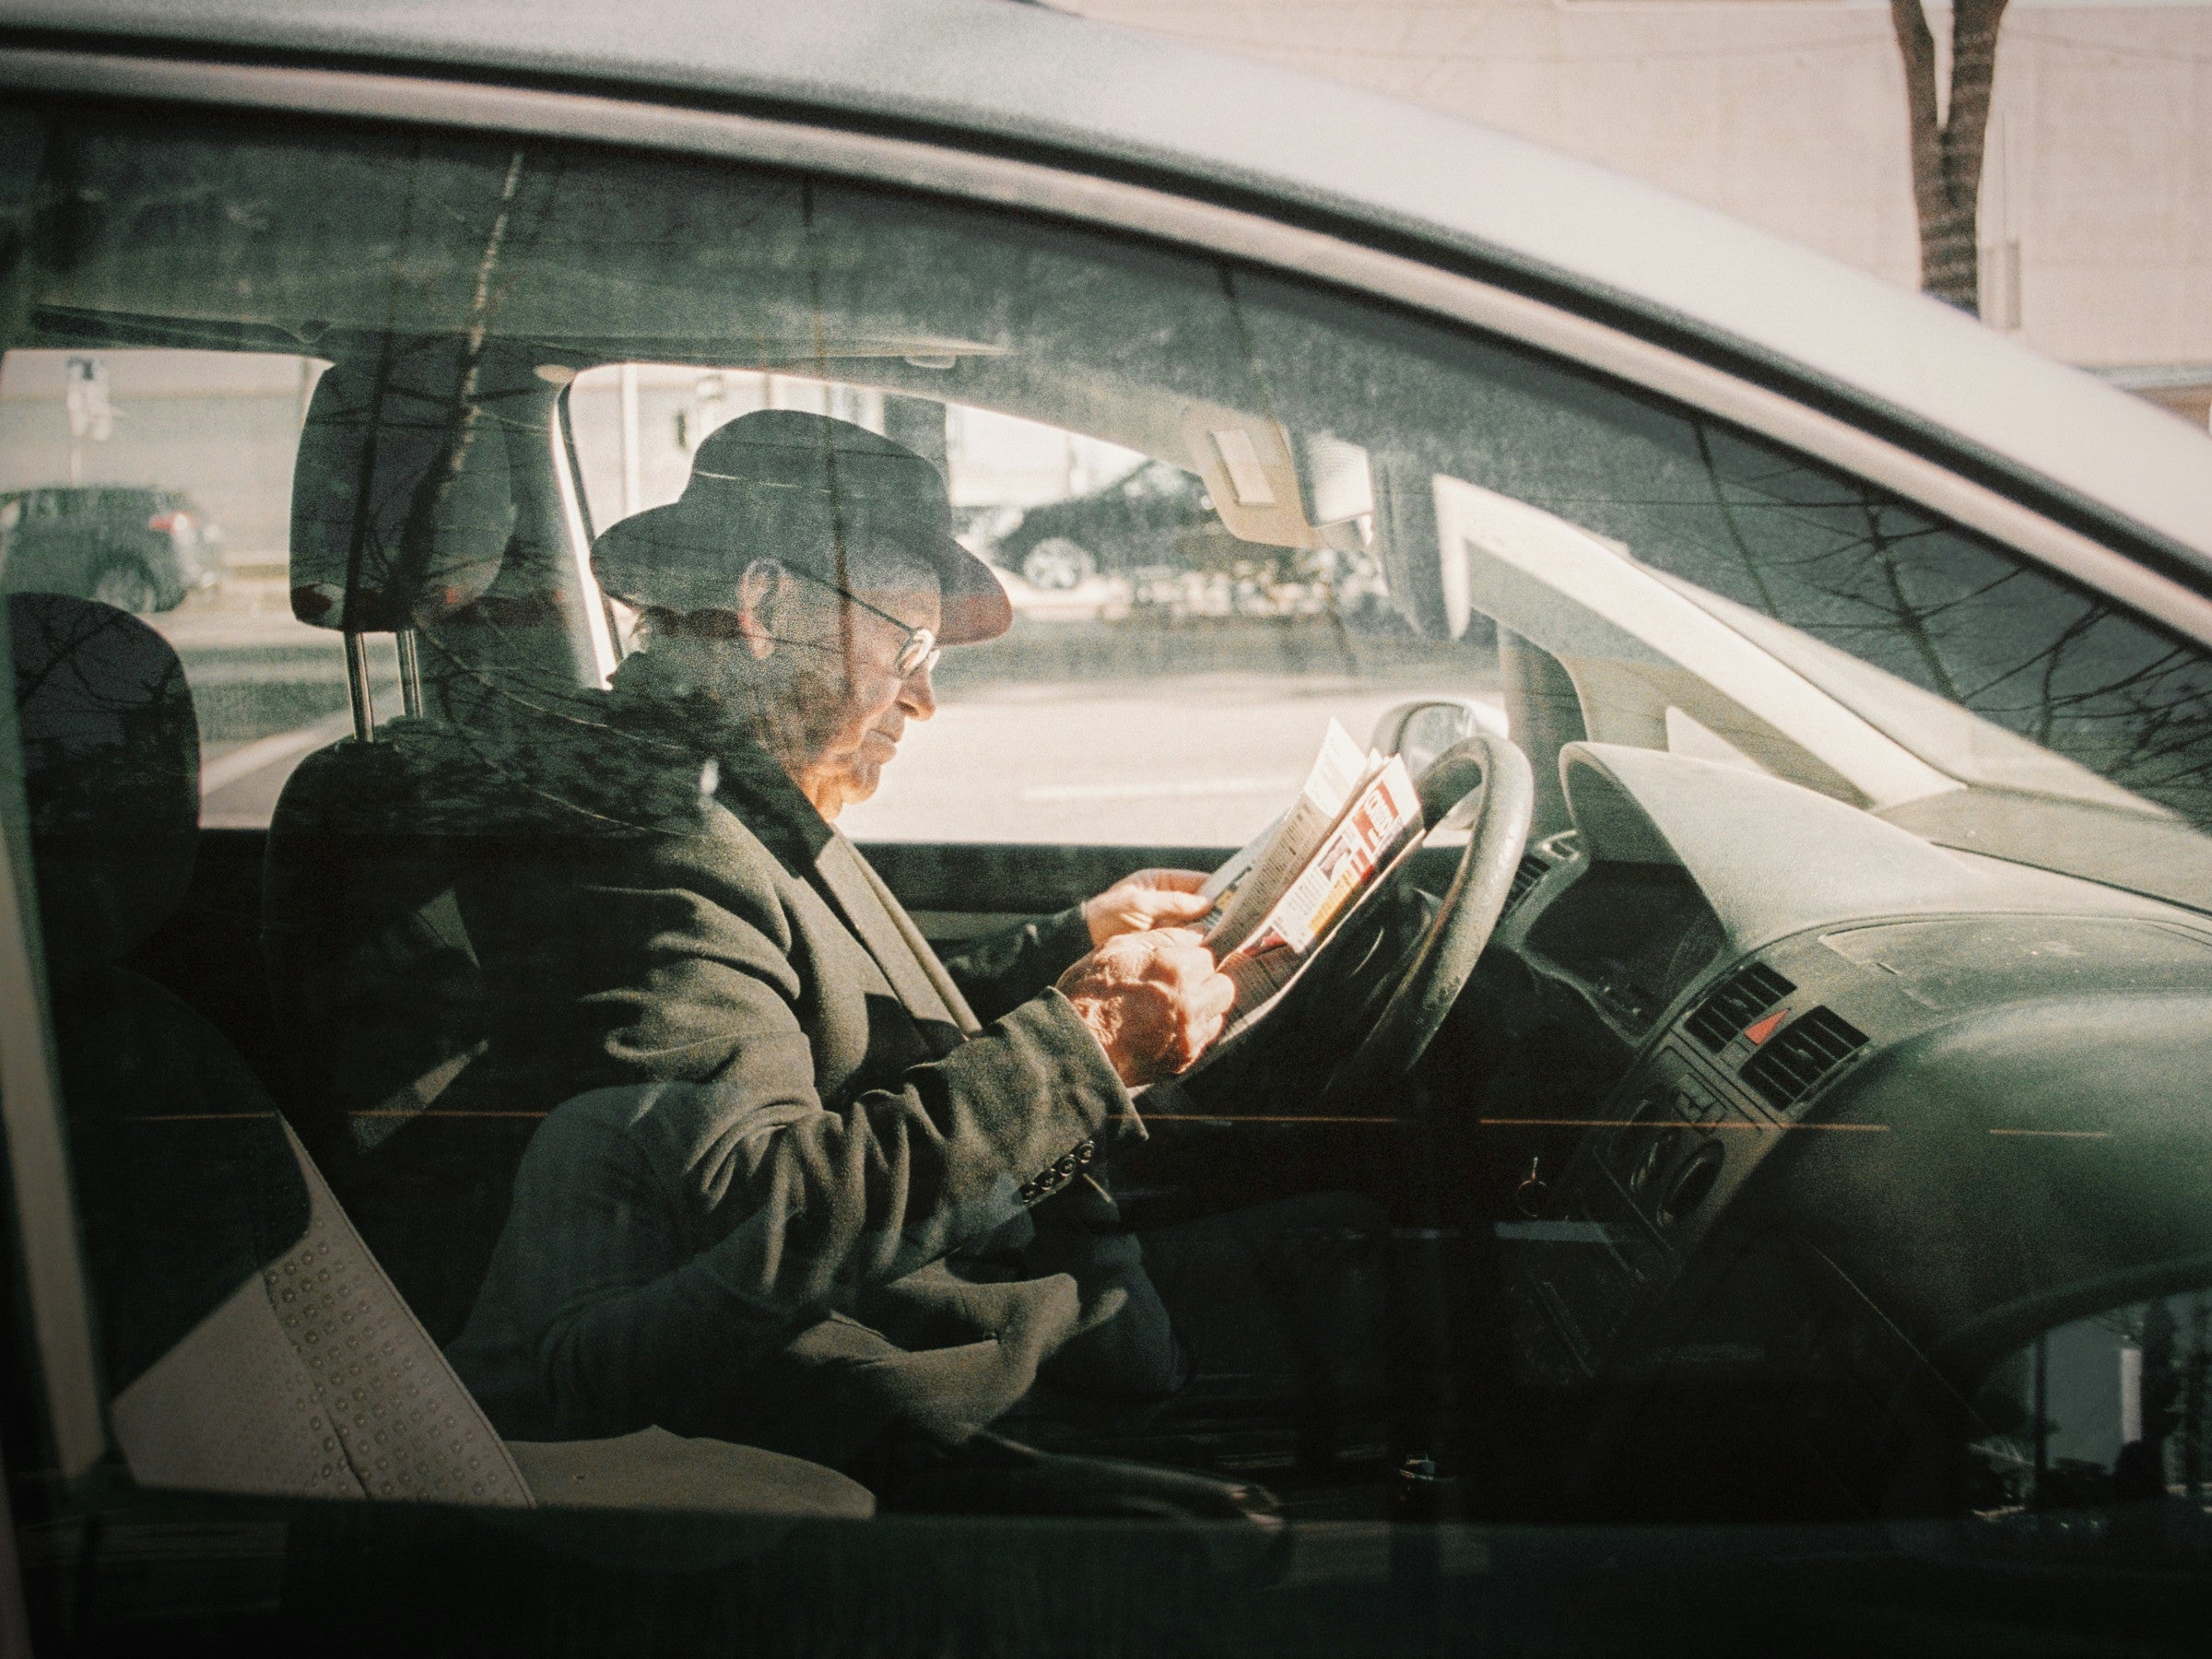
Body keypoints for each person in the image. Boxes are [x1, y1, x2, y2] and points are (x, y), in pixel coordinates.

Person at [446, 412, 1292, 1472]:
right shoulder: (656, 835)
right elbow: (759, 1219)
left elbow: (820, 1018)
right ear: (764, 606)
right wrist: (1087, 1050)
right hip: (923, 1385)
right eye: (910, 648)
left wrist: (1067, 941)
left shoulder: (720, 787)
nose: (925, 698)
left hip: (959, 1291)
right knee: (1345, 1277)